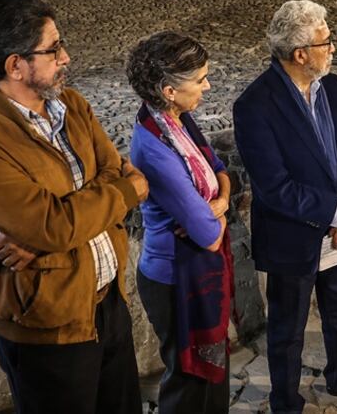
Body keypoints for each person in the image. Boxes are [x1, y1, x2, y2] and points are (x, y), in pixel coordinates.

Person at [0, 0, 149, 414]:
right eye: (53, 48)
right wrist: (125, 194)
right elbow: (60, 222)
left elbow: (107, 174)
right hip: (49, 326)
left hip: (108, 301)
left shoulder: (72, 106)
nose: (66, 57)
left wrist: (51, 231)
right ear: (15, 65)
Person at [233, 0, 337, 413]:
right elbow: (274, 188)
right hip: (292, 237)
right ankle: (285, 403)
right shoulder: (254, 106)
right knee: (288, 329)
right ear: (300, 54)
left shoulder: (332, 87)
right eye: (326, 42)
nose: (333, 49)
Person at [126, 32, 232, 413]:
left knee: (213, 373)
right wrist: (214, 215)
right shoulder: (155, 148)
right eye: (200, 78)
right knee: (189, 380)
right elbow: (206, 238)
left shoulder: (177, 121)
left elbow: (221, 171)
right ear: (169, 90)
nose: (207, 85)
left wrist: (216, 205)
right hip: (174, 279)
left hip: (194, 271)